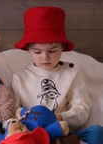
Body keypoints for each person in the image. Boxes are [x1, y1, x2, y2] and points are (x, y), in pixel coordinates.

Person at [9, 6, 103, 144]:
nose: (45, 57)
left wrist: (58, 118)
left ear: (63, 47)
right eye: (37, 52)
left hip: (63, 133)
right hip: (31, 134)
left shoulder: (72, 73)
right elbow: (12, 112)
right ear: (28, 49)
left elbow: (81, 108)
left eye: (52, 51)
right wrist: (26, 121)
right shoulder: (19, 78)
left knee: (97, 132)